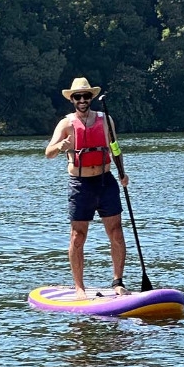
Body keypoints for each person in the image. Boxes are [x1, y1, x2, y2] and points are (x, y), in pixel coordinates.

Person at [45, 77, 130, 299]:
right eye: (77, 97)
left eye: (86, 96)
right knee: (78, 236)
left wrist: (122, 173)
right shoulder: (66, 124)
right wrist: (60, 146)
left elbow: (115, 148)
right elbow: (48, 153)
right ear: (72, 100)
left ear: (91, 98)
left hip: (105, 181)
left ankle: (118, 282)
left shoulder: (105, 120)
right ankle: (79, 288)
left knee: (116, 232)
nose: (82, 100)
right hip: (80, 185)